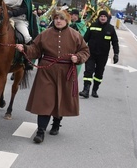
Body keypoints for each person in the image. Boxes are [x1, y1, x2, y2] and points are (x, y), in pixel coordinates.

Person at [17, 9, 90, 143]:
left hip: (66, 72)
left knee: (60, 99)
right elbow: (35, 50)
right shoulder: (45, 34)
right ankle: (40, 131)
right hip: (47, 71)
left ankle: (56, 122)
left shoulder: (75, 35)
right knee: (45, 99)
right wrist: (25, 49)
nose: (58, 21)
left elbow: (85, 51)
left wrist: (78, 57)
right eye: (56, 18)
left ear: (66, 20)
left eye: (61, 18)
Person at [80, 10, 120, 99]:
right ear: (98, 17)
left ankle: (95, 90)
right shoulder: (93, 26)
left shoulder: (110, 29)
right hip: (91, 54)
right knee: (88, 71)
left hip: (103, 55)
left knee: (99, 73)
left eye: (104, 17)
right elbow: (85, 39)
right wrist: (79, 48)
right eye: (101, 16)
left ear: (107, 18)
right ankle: (85, 90)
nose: (102, 18)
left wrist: (116, 53)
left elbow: (115, 42)